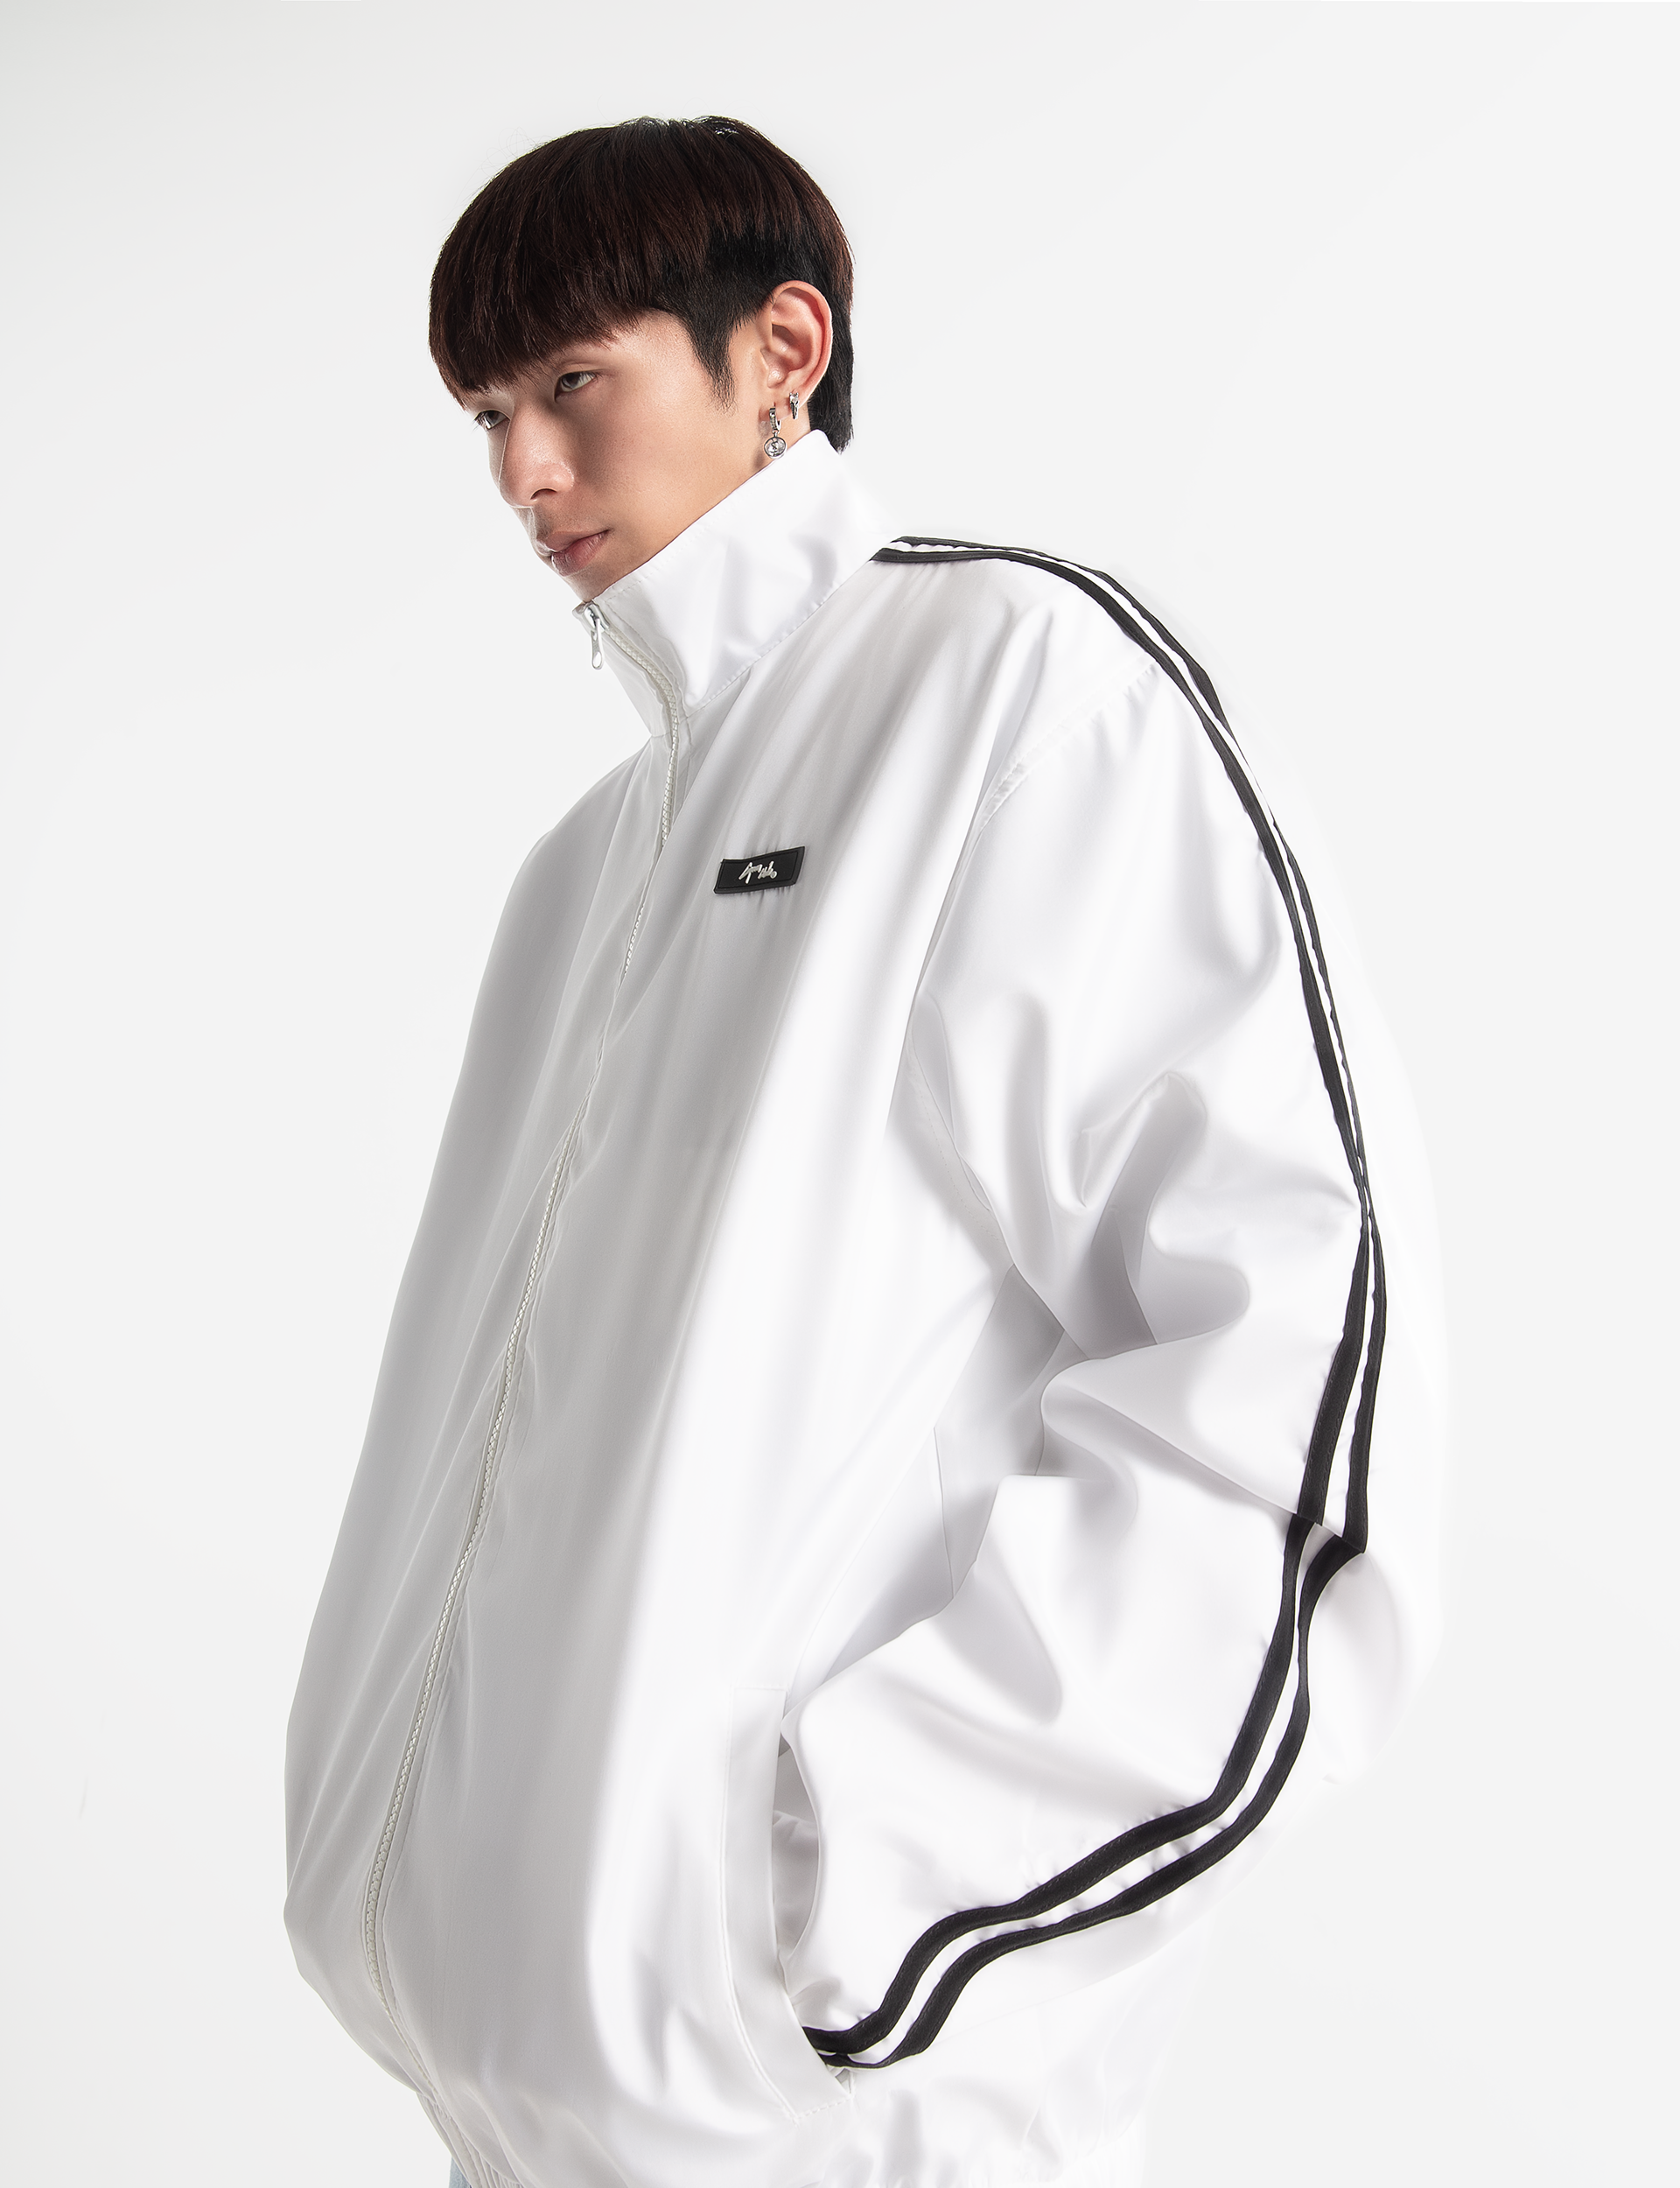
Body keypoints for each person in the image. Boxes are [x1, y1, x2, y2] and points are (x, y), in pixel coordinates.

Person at [284, 116, 1445, 2188]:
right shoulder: (586, 870)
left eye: (574, 382)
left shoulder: (1015, 694)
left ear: (782, 349)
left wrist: (863, 1892)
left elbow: (1288, 1369)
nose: (523, 471)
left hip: (834, 2115)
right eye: (485, 413)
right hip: (516, 2117)